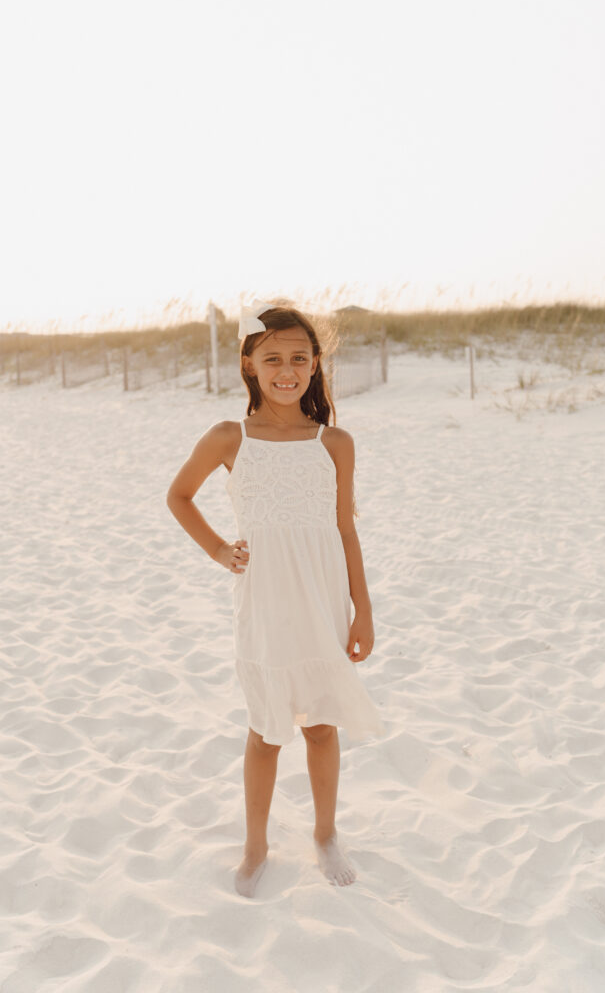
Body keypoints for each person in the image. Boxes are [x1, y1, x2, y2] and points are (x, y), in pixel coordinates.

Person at [166, 298, 385, 898]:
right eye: (273, 359)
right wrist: (217, 550)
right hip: (263, 602)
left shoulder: (333, 442)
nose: (286, 370)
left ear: (315, 365)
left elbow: (345, 530)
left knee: (320, 724)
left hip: (323, 599)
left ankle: (324, 832)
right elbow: (179, 496)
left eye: (299, 358)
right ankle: (256, 844)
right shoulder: (228, 437)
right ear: (249, 364)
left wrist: (363, 609)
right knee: (266, 731)